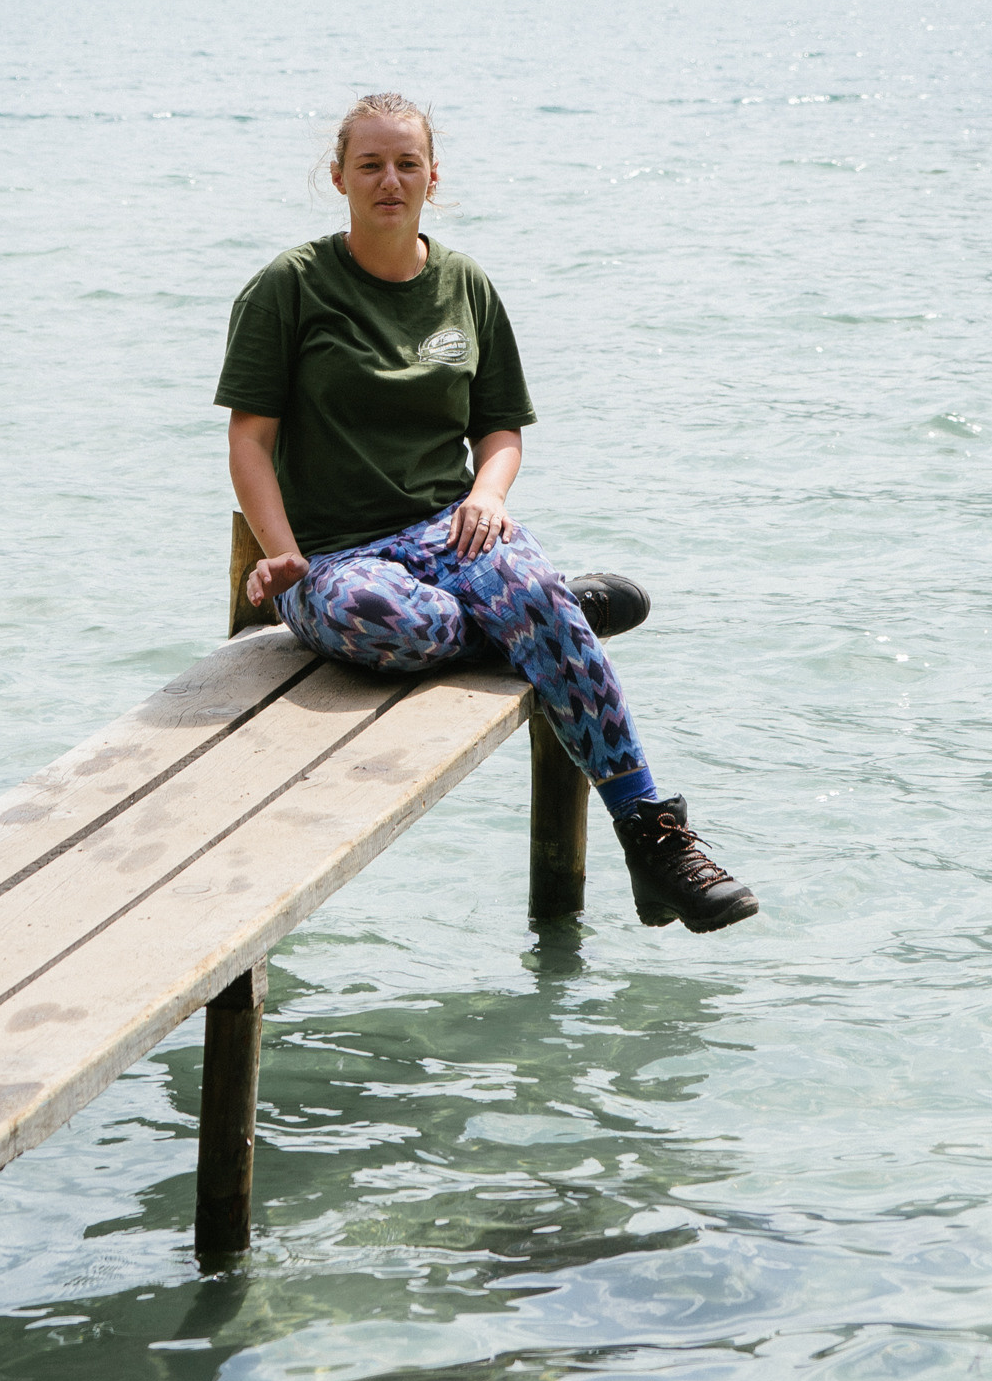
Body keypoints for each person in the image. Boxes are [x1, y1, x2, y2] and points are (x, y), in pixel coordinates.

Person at [215, 90, 756, 933]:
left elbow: (499, 429)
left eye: (405, 163)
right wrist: (282, 555)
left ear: (433, 176)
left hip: (450, 528)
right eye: (370, 164)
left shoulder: (465, 284)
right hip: (333, 559)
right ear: (338, 178)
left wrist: (486, 496)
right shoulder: (289, 287)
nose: (389, 179)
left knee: (509, 583)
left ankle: (654, 839)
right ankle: (548, 613)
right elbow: (250, 442)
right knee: (392, 619)